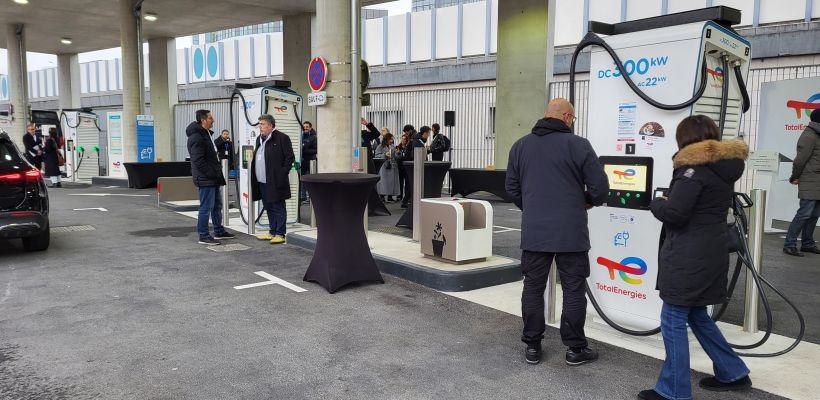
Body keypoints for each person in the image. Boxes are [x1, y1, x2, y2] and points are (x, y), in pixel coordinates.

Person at [639, 115, 752, 400]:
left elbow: (676, 214)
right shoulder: (723, 168)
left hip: (689, 256)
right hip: (711, 252)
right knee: (698, 315)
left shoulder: (693, 168)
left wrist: (656, 203)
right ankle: (732, 371)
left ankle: (673, 391)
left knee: (673, 318)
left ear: (684, 139)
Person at [505, 98, 608, 366]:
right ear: (566, 117)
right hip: (571, 232)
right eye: (572, 118)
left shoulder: (520, 146)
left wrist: (534, 207)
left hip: (535, 232)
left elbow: (512, 188)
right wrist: (583, 201)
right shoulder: (579, 145)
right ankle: (575, 349)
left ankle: (532, 346)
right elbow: (600, 189)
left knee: (533, 287)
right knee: (573, 289)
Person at [186, 109, 235, 246]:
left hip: (212, 178)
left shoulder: (205, 134)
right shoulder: (197, 137)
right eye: (210, 118)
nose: (213, 120)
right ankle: (203, 235)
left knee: (216, 206)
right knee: (206, 207)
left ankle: (218, 231)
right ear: (203, 120)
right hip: (206, 178)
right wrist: (212, 174)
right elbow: (198, 160)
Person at [251, 114, 295, 245]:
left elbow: (289, 157)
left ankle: (280, 233)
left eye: (263, 124)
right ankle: (272, 231)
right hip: (262, 180)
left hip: (276, 179)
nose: (260, 126)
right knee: (268, 206)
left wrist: (283, 172)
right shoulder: (259, 138)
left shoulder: (282, 138)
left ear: (270, 125)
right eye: (259, 124)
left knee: (278, 206)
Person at [783, 108, 820, 257]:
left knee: (815, 214)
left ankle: (807, 243)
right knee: (804, 214)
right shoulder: (809, 136)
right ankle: (789, 244)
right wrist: (794, 176)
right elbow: (800, 160)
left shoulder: (817, 135)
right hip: (810, 179)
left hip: (817, 181)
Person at [374, 132, 400, 202]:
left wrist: (398, 153)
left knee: (392, 182)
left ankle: (390, 196)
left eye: (392, 139)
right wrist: (384, 155)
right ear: (386, 139)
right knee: (384, 182)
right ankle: (382, 195)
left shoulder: (393, 147)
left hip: (392, 165)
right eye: (390, 139)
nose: (391, 141)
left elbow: (396, 157)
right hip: (384, 166)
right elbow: (376, 156)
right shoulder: (380, 146)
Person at [300, 121, 317, 203]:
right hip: (302, 161)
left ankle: (311, 197)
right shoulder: (300, 136)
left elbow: (316, 150)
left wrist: (304, 151)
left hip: (311, 161)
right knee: (302, 179)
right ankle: (303, 197)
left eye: (307, 126)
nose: (305, 128)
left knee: (310, 180)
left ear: (310, 127)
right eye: (304, 126)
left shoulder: (314, 137)